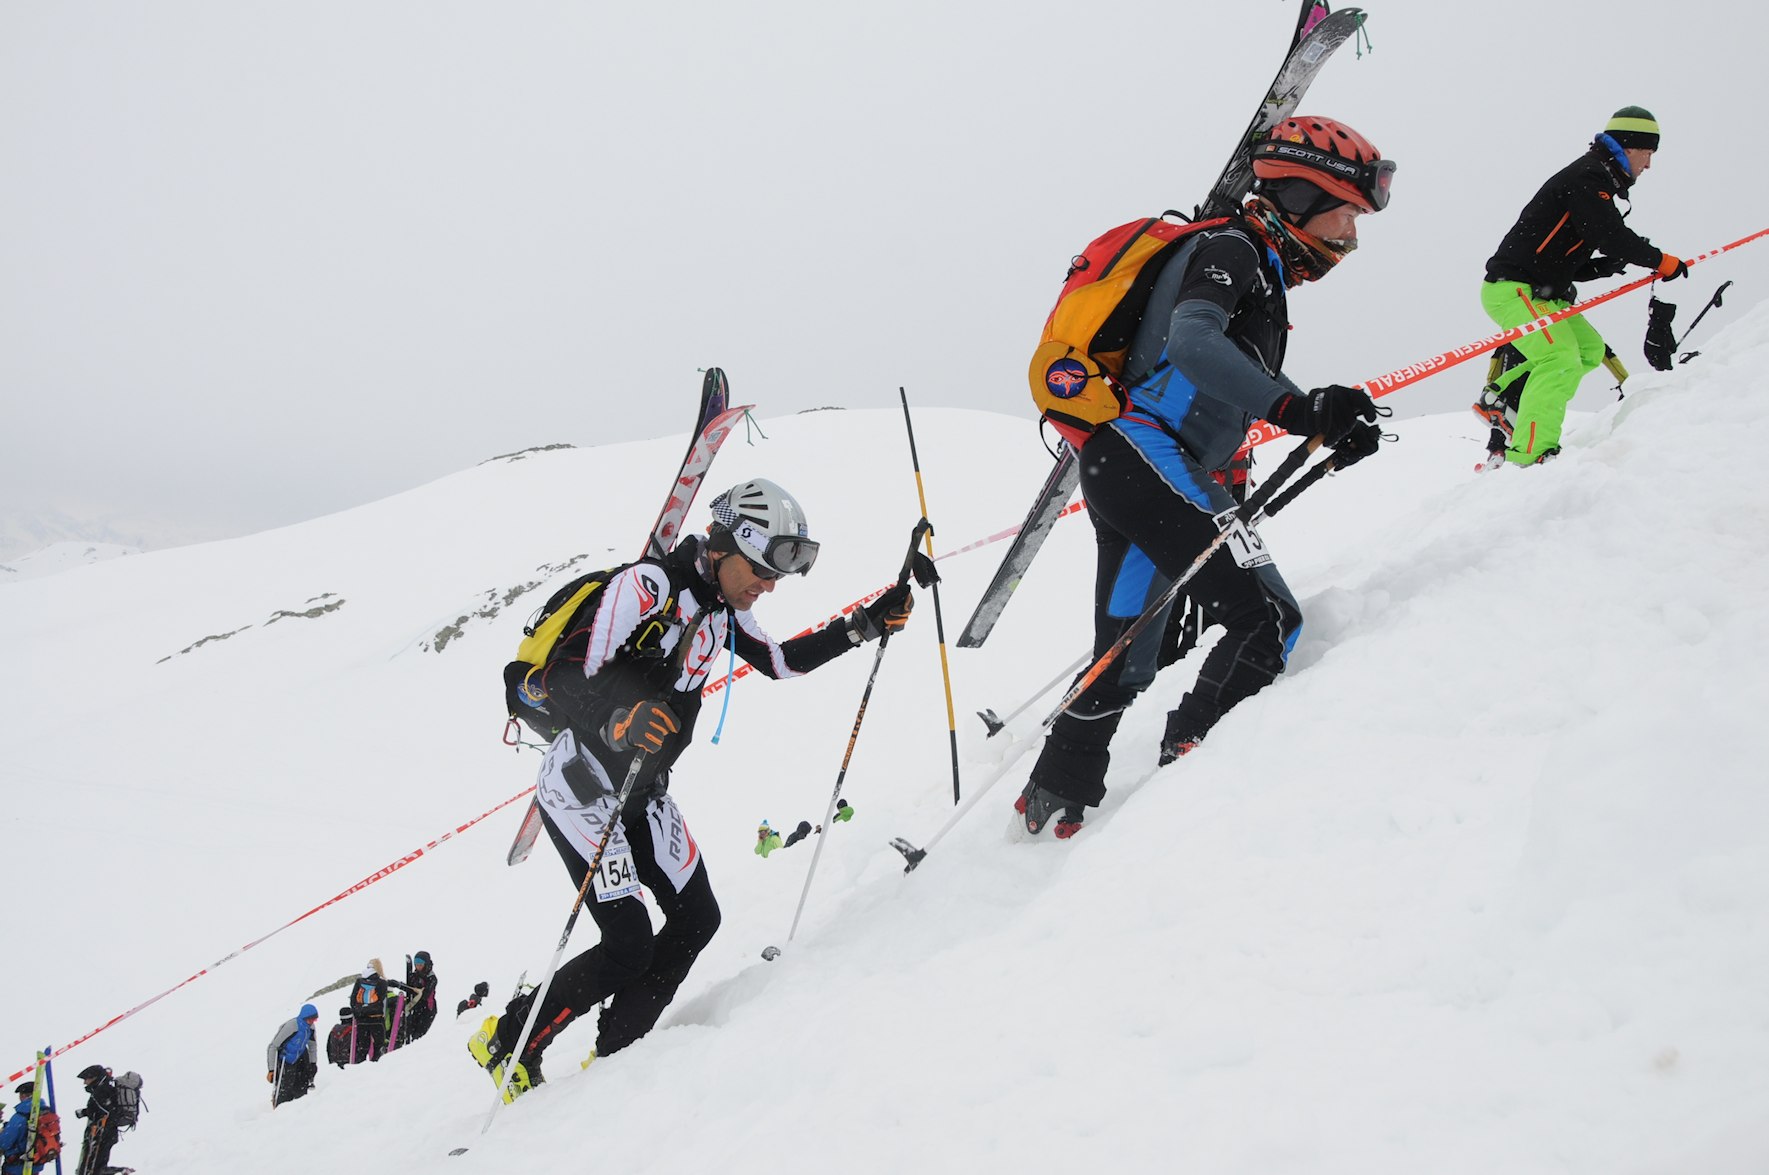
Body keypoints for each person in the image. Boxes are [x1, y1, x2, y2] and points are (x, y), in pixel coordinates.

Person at [468, 477, 916, 1099]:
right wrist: (616, 721)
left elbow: (782, 661)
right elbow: (563, 673)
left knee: (697, 919)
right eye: (761, 569)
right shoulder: (647, 589)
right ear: (728, 545)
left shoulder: (727, 613)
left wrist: (863, 625)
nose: (769, 585)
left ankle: (618, 1055)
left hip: (645, 792)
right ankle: (508, 1040)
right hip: (584, 787)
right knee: (626, 945)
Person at [1017, 115, 1394, 839]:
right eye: (1346, 214)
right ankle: (1189, 801)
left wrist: (1320, 418)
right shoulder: (1232, 245)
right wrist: (1296, 407)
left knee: (1126, 656)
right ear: (1300, 198)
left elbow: (1227, 373)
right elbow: (1193, 344)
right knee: (1267, 619)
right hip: (1144, 453)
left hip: (1126, 461)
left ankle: (1044, 813)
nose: (1349, 235)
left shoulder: (1252, 265)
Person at [1475, 106, 1687, 465]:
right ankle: (1531, 454)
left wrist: (1604, 267)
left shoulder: (1596, 179)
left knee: (1587, 352)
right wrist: (1660, 260)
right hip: (1513, 289)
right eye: (1648, 154)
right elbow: (1611, 236)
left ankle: (1501, 396)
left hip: (1544, 292)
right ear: (1630, 146)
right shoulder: (1588, 178)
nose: (1648, 165)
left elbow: (1567, 258)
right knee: (1559, 357)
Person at [266, 1004, 321, 1107]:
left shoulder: (311, 1028)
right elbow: (273, 1046)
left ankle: (299, 1110)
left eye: (315, 1019)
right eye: (311, 1019)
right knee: (285, 1090)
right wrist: (271, 1070)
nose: (312, 1022)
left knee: (301, 1088)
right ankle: (279, 1109)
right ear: (304, 1018)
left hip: (300, 1057)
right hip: (286, 1060)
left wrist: (313, 1063)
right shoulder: (292, 1026)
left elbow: (312, 1045)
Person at [72, 1064, 123, 1173]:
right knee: (99, 1166)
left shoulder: (100, 1091)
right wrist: (86, 1112)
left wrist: (94, 1121)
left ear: (94, 1077)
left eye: (86, 1079)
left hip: (101, 1134)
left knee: (94, 1168)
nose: (84, 1082)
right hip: (107, 1133)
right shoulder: (105, 1088)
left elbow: (106, 1111)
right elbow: (102, 1109)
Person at [1, 1081, 56, 1175]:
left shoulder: (20, 1117)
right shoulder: (46, 1113)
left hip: (17, 1166)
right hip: (36, 1163)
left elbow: (4, 1143)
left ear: (23, 1096)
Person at [401, 950, 441, 1044]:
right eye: (416, 963)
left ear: (426, 964)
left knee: (418, 1036)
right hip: (415, 1007)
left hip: (427, 1010)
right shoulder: (414, 975)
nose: (418, 966)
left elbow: (425, 994)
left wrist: (415, 987)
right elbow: (409, 989)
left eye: (420, 964)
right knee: (409, 1032)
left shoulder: (432, 978)